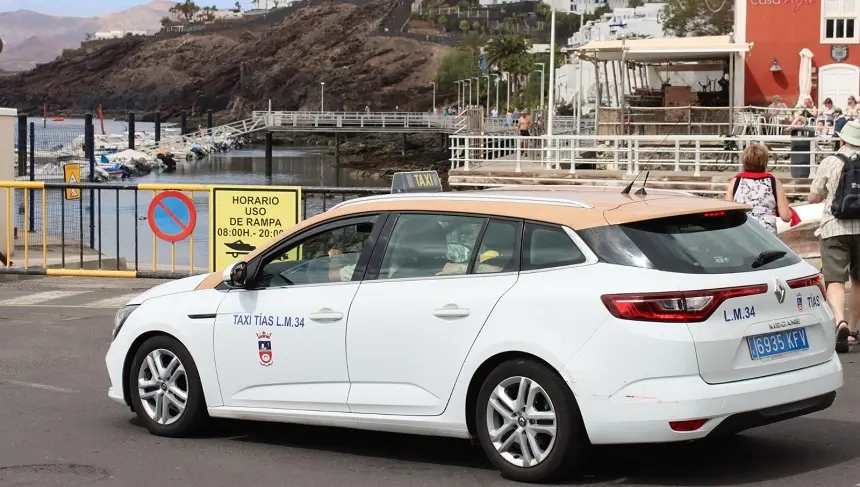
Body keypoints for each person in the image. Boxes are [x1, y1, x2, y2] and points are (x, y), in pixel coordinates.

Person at [809, 120, 860, 352]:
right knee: (858, 281)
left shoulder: (831, 161)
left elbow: (814, 197)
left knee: (835, 279)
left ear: (842, 139)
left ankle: (839, 319)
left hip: (834, 227)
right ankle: (851, 330)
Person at [725, 143, 793, 234]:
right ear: (765, 162)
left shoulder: (735, 181)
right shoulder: (773, 182)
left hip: (742, 233)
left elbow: (728, 213)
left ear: (744, 161)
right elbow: (786, 216)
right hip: (767, 235)